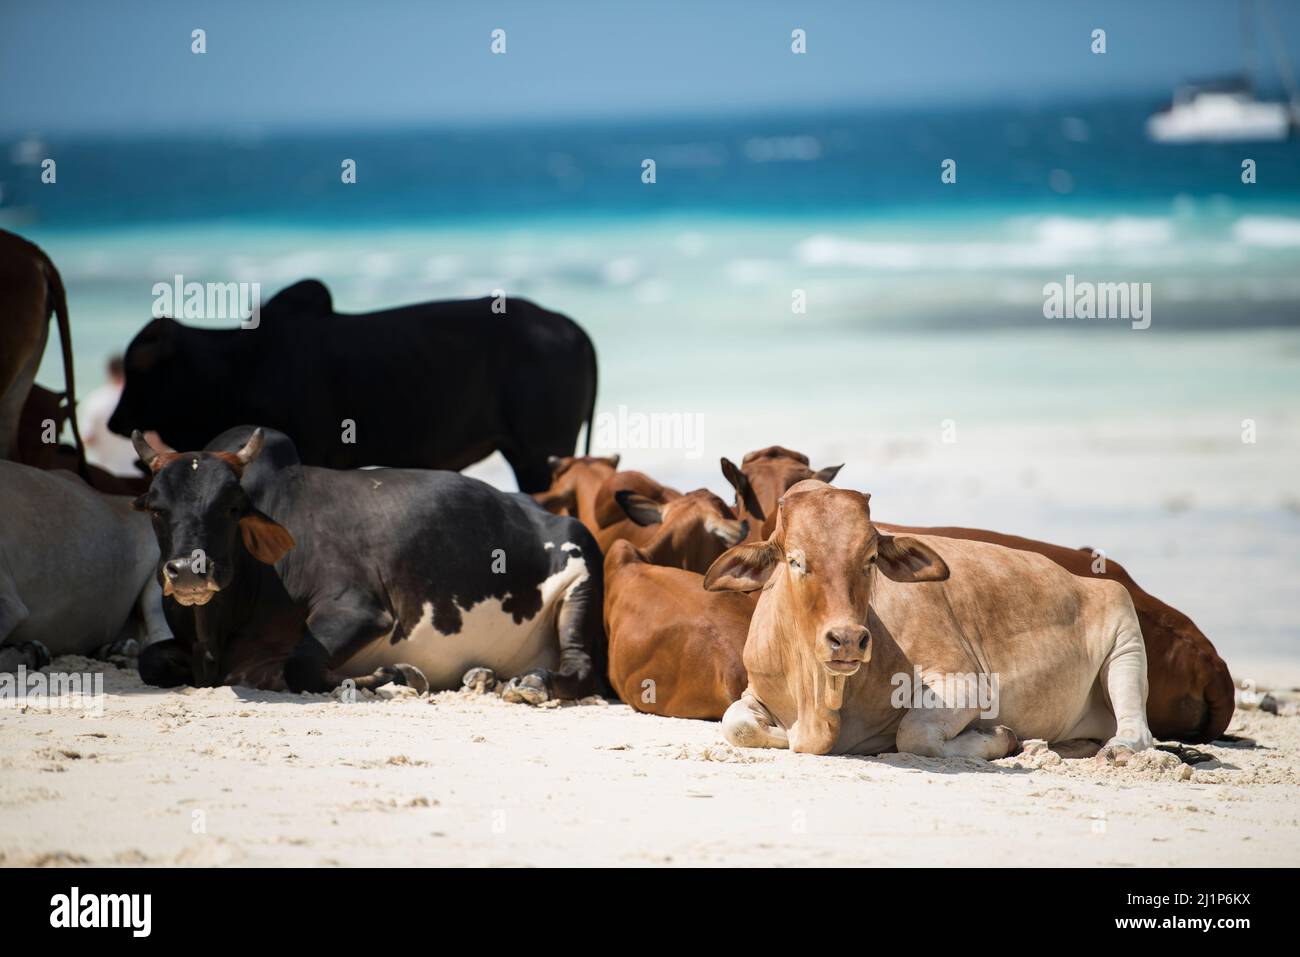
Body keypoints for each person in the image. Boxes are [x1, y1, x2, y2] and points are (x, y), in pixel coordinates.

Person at [78, 355, 139, 476]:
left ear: (109, 372)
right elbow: (155, 442)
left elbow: (87, 439)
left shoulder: (94, 401)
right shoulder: (141, 400)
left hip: (104, 475)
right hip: (137, 474)